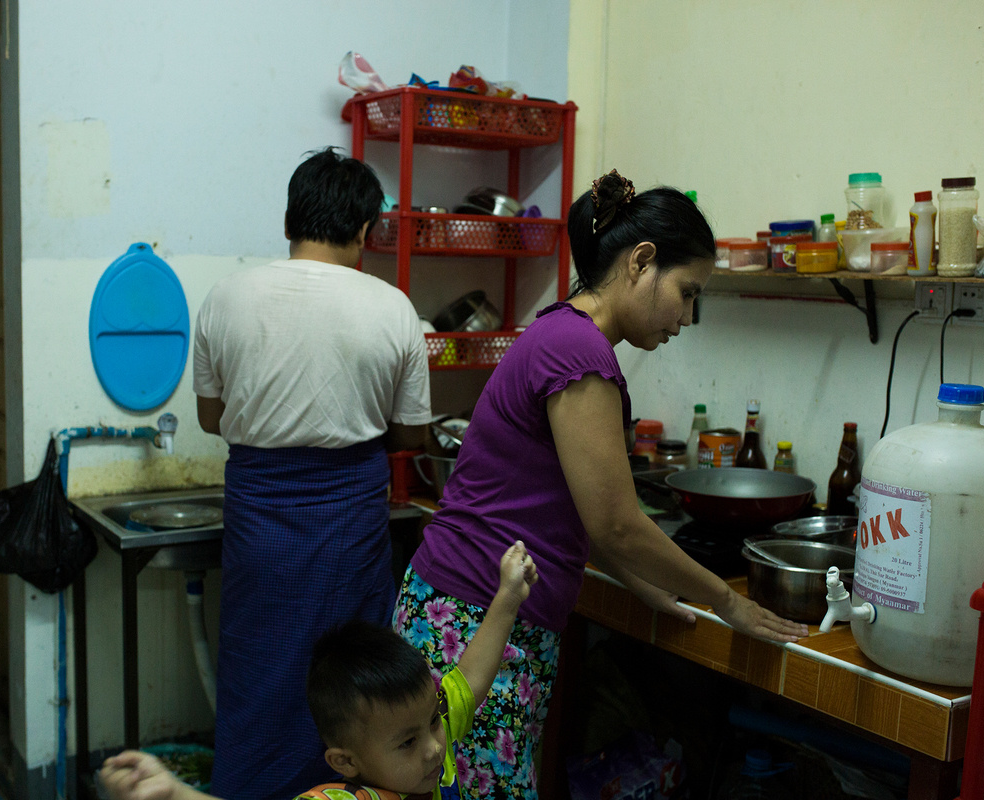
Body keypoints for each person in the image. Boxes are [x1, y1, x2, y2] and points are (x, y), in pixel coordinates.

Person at [392, 170, 810, 799]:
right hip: (476, 618)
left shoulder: (563, 331)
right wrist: (726, 600)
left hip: (471, 608)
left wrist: (649, 587)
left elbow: (587, 514)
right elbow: (616, 521)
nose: (688, 317)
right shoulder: (579, 353)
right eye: (688, 292)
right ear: (643, 262)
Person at [192, 147, 431, 798]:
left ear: (291, 220)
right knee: (353, 685)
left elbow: (212, 418)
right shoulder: (393, 309)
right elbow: (412, 433)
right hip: (348, 524)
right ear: (365, 230)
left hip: (259, 525)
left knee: (258, 674)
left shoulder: (224, 297)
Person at [98, 542, 539, 800]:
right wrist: (177, 793)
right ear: (344, 762)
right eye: (407, 742)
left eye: (431, 725)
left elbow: (471, 680)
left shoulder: (426, 746)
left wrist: (508, 597)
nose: (433, 748)